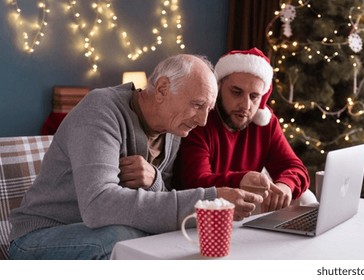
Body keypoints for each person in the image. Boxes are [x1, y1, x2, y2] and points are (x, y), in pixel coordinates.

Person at [8, 54, 266, 260]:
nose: (202, 120)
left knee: (157, 238)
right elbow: (100, 205)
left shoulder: (174, 128)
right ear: (163, 89)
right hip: (39, 238)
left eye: (208, 109)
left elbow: (161, 199)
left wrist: (154, 180)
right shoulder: (100, 111)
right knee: (124, 237)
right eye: (197, 105)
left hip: (101, 231)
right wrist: (209, 199)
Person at [174, 48, 309, 214]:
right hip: (200, 213)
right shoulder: (200, 120)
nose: (245, 105)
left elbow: (295, 167)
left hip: (245, 208)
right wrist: (241, 180)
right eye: (236, 92)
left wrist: (285, 186)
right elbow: (195, 182)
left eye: (254, 97)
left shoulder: (265, 124)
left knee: (306, 198)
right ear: (218, 86)